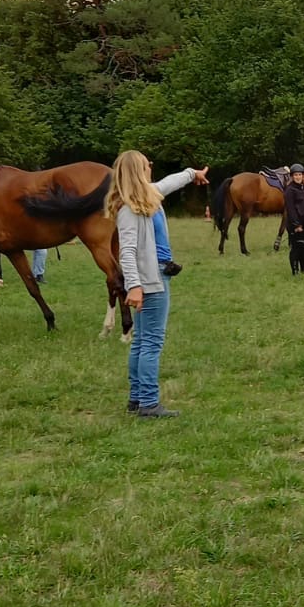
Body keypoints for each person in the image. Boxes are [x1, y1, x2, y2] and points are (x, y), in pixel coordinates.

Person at [105, 152, 208, 418]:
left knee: (141, 342)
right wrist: (135, 286)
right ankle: (149, 404)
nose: (150, 167)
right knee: (150, 342)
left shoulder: (147, 195)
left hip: (154, 276)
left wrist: (192, 173)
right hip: (151, 280)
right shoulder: (129, 210)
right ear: (138, 171)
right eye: (146, 165)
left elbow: (169, 183)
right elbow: (126, 252)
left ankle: (137, 400)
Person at [284, 164, 304, 277]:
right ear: (292, 176)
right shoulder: (289, 190)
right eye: (295, 175)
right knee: (296, 247)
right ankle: (295, 270)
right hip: (295, 223)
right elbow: (290, 209)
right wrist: (296, 224)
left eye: (300, 175)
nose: (298, 177)